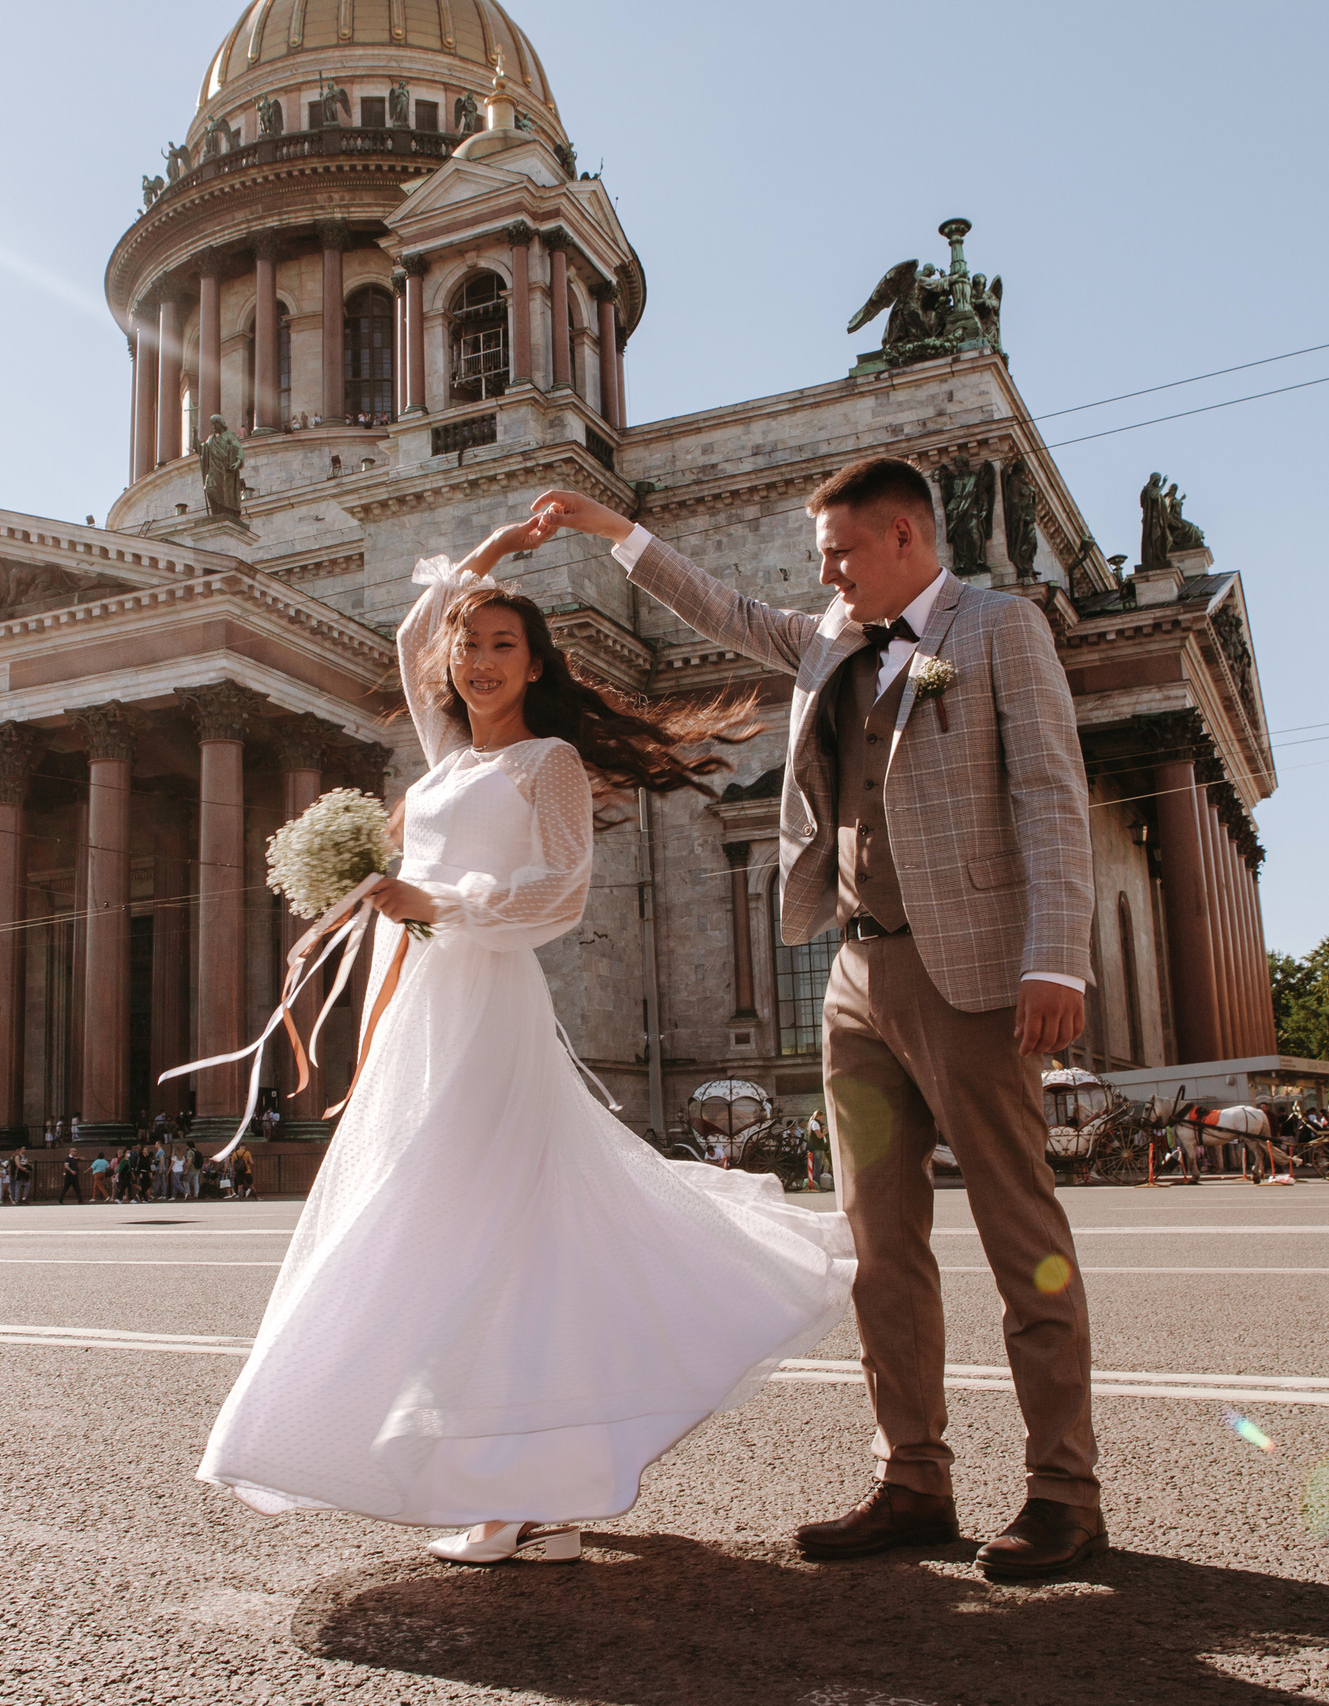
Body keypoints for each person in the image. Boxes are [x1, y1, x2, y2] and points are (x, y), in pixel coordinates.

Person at [197, 513, 855, 1567]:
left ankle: (510, 1490)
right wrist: (488, 553)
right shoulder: (444, 756)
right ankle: (513, 1475)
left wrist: (438, 900)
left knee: (481, 1230)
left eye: (504, 644)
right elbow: (418, 627)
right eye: (471, 645)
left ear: (536, 664)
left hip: (480, 995)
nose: (479, 659)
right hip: (416, 996)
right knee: (445, 1221)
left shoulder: (545, 762)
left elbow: (557, 895)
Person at [535, 463, 1104, 1578]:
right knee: (876, 1248)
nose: (823, 574)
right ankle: (912, 1477)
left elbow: (1049, 792)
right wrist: (614, 531)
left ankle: (1061, 1490)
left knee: (1019, 1238)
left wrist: (1056, 958)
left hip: (975, 980)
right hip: (858, 976)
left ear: (902, 533)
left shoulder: (1000, 629)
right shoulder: (834, 640)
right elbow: (725, 611)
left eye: (838, 552)